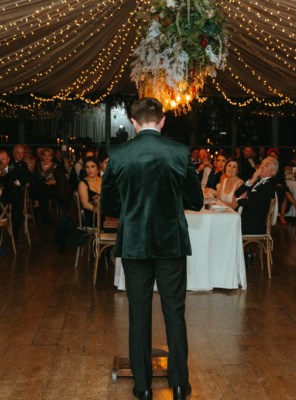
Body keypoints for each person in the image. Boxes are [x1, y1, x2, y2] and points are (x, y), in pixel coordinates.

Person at [101, 98, 202, 400]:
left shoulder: (118, 154)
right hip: (170, 242)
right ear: (162, 121)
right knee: (175, 313)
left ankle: (143, 387)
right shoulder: (180, 152)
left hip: (134, 243)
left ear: (133, 122)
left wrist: (131, 207)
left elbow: (108, 206)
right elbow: (195, 200)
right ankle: (180, 385)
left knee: (138, 313)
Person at [235, 156, 278, 234]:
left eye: (266, 165)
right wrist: (251, 180)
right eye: (261, 164)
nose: (261, 167)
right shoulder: (258, 180)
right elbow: (237, 193)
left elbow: (252, 205)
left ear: (273, 172)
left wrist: (240, 200)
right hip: (247, 218)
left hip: (253, 224)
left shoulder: (269, 185)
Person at [0, 146, 31, 237]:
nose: (20, 155)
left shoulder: (21, 164)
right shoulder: (10, 165)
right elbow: (4, 177)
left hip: (14, 194)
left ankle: (14, 234)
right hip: (2, 195)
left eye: (22, 153)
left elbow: (27, 176)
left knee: (18, 209)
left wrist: (19, 183)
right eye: (18, 153)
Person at [31, 147, 67, 224]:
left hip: (53, 189)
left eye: (49, 155)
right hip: (39, 189)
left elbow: (61, 181)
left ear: (51, 157)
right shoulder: (38, 165)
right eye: (45, 155)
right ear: (42, 156)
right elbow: (34, 179)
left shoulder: (56, 166)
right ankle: (46, 216)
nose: (47, 157)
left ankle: (42, 212)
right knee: (41, 187)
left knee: (43, 190)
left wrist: (53, 181)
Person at [77, 157, 101, 227]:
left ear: (97, 169)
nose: (90, 170)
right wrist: (100, 211)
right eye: (87, 167)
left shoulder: (103, 181)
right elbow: (85, 204)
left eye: (92, 166)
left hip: (102, 213)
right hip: (91, 215)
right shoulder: (82, 183)